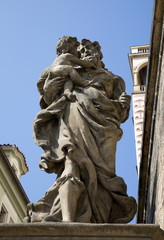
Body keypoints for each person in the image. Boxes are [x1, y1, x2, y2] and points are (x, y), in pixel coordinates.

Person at [25, 37, 137, 223]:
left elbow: (121, 111)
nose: (86, 55)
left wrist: (124, 105)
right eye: (82, 52)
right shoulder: (73, 73)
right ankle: (68, 221)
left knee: (106, 175)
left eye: (89, 51)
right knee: (72, 162)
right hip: (75, 114)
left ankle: (100, 222)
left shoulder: (114, 79)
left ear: (99, 54)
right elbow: (48, 88)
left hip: (106, 126)